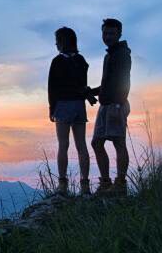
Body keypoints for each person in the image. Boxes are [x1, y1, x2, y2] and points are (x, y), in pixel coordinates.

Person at [89, 18, 132, 196]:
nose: (107, 36)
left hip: (115, 104)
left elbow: (123, 81)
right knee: (97, 142)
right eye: (105, 33)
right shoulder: (110, 55)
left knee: (118, 141)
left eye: (112, 33)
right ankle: (106, 182)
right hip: (106, 104)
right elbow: (107, 84)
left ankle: (120, 183)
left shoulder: (122, 54)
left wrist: (117, 103)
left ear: (119, 34)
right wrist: (91, 91)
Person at [48, 27, 92, 195]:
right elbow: (83, 85)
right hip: (79, 106)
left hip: (63, 106)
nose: (56, 44)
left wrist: (52, 108)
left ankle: (63, 184)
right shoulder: (81, 60)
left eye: (57, 41)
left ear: (61, 43)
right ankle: (85, 184)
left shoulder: (57, 61)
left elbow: (52, 88)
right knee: (81, 145)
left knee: (63, 145)